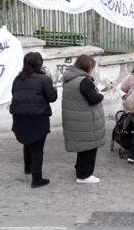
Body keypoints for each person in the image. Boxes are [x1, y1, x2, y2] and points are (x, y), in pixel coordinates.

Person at [9, 52, 58, 188]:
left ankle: (28, 168)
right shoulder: (44, 79)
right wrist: (51, 84)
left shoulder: (17, 79)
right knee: (37, 149)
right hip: (38, 118)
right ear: (39, 64)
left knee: (27, 142)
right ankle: (37, 179)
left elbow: (14, 94)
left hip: (19, 118)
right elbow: (52, 97)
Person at [61, 54, 105, 184]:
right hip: (85, 120)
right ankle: (84, 175)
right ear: (87, 67)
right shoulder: (84, 81)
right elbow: (93, 99)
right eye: (92, 67)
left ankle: (80, 170)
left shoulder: (69, 78)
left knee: (83, 147)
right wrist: (101, 95)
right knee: (89, 148)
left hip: (77, 119)